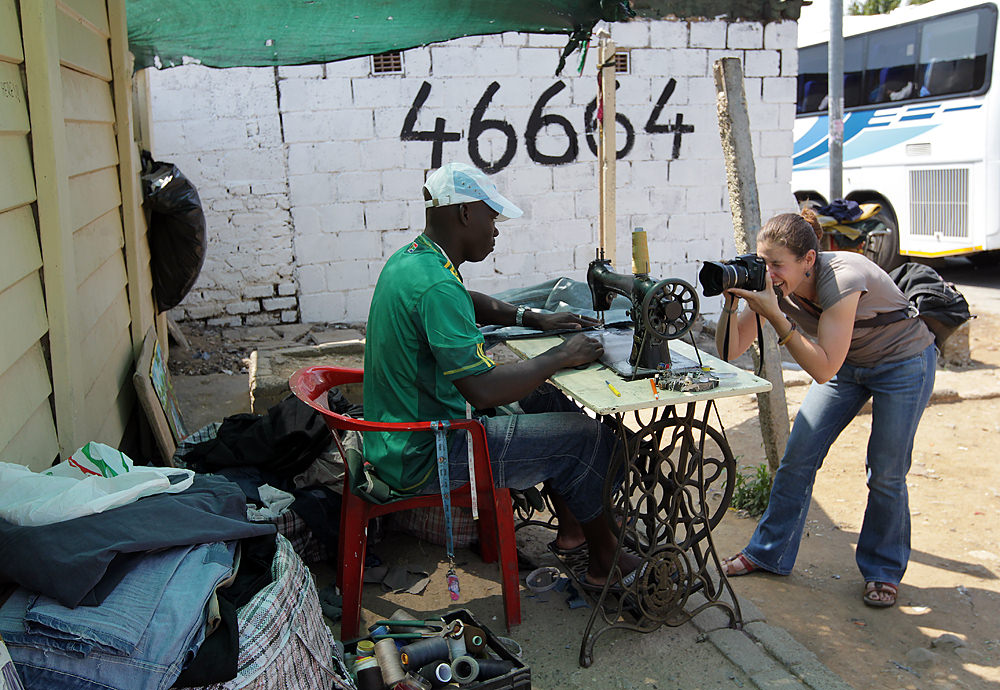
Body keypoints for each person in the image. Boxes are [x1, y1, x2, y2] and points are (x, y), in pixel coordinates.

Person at [363, 162, 639, 590]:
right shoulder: (435, 285)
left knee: (545, 400)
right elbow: (482, 387)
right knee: (583, 436)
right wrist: (561, 354)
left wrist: (534, 316)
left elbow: (465, 299)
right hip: (429, 452)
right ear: (465, 214)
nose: (495, 230)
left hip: (399, 434)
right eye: (492, 218)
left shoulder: (414, 261)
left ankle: (573, 531)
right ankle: (605, 562)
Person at [714, 209, 936, 608]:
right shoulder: (774, 284)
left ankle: (882, 570)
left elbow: (822, 368)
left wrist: (776, 315)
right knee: (797, 458)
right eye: (764, 262)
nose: (769, 273)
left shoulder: (843, 278)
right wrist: (733, 305)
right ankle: (768, 553)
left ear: (809, 261)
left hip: (902, 362)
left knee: (885, 471)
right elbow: (730, 350)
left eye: (778, 265)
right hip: (846, 363)